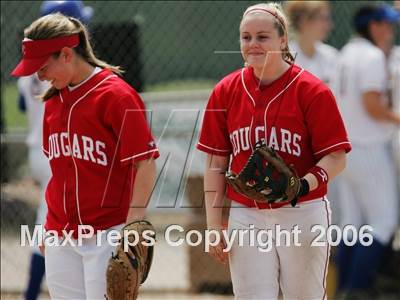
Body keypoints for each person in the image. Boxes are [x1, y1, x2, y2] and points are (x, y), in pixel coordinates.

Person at [197, 2, 351, 299]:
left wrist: (304, 184)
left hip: (302, 211)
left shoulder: (311, 91)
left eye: (262, 37)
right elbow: (216, 162)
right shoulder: (225, 90)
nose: (252, 44)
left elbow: (336, 157)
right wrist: (214, 225)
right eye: (246, 37)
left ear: (283, 40)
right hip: (247, 213)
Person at [11, 12, 159, 299]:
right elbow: (60, 172)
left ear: (66, 54)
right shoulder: (53, 102)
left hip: (107, 232)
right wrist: (48, 227)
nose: (39, 76)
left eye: (42, 67)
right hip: (61, 234)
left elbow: (146, 163)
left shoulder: (115, 95)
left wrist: (134, 225)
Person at [17, 2, 93, 299]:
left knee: (52, 220)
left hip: (40, 150)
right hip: (55, 152)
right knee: (50, 224)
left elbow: (23, 105)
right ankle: (31, 293)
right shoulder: (60, 67)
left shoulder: (30, 73)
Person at [333, 4, 400, 298]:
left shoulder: (344, 53)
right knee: (384, 221)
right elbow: (372, 106)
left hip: (346, 148)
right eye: (386, 24)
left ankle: (344, 288)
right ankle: (357, 289)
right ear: (373, 26)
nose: (391, 29)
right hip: (368, 146)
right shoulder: (372, 55)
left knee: (353, 224)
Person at [284, 1, 337, 86]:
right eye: (323, 18)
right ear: (303, 21)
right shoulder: (284, 58)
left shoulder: (331, 56)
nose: (329, 25)